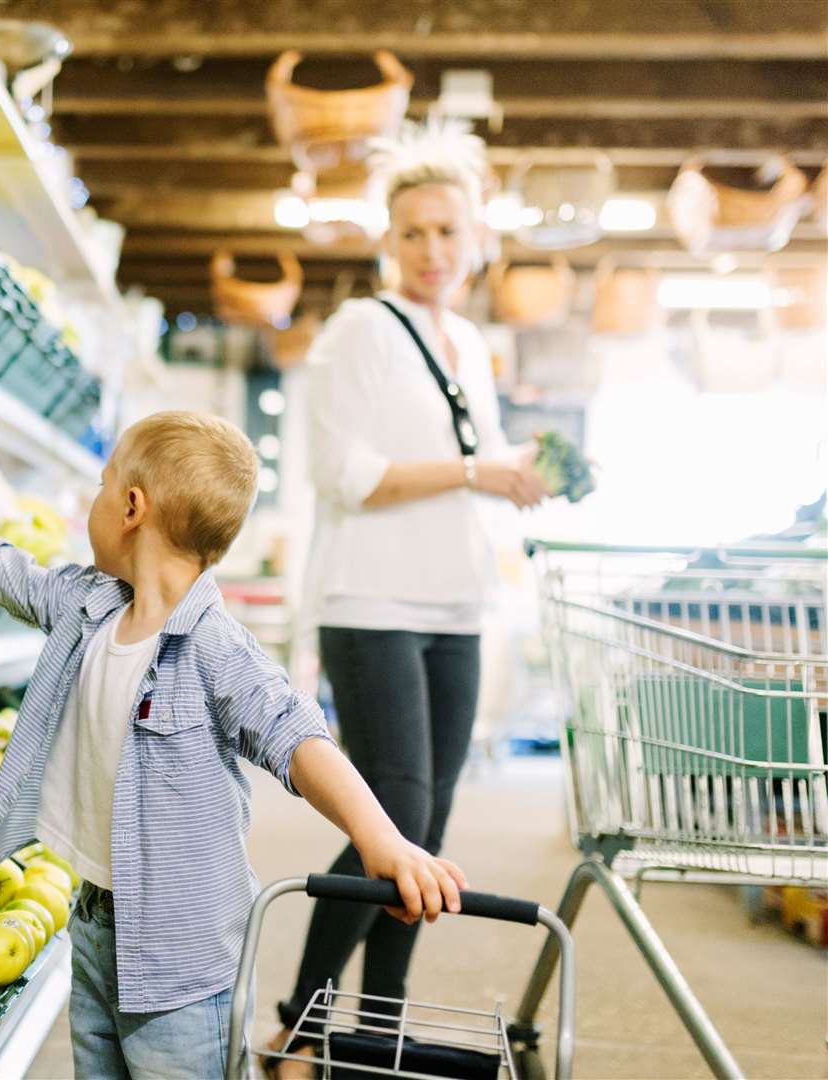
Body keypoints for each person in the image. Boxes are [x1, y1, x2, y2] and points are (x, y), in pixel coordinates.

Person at [0, 411, 468, 1079]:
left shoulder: (213, 647)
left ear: (130, 506)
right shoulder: (89, 605)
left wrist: (380, 839)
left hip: (183, 958)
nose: (93, 499)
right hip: (93, 920)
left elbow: (295, 734)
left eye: (100, 484)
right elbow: (6, 573)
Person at [269, 135, 548, 1075]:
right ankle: (302, 1028)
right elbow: (346, 476)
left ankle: (374, 1034)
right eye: (414, 231)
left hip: (458, 605)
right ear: (390, 239)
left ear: (476, 240)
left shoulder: (469, 343)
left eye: (448, 231)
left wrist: (520, 478)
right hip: (372, 599)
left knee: (425, 834)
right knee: (393, 818)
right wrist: (480, 469)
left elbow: (478, 470)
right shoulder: (360, 329)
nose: (433, 248)